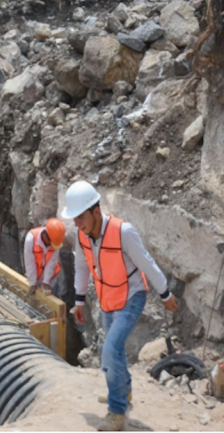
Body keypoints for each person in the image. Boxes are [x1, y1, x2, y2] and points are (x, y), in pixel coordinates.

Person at [62, 180, 177, 432]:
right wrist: (79, 300)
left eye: (80, 216)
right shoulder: (82, 236)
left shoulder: (123, 232)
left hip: (132, 296)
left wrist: (165, 293)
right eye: (73, 218)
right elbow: (81, 267)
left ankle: (116, 411)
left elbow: (147, 263)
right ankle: (123, 393)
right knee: (114, 350)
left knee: (110, 350)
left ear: (95, 211)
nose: (76, 223)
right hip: (107, 299)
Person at [23, 218, 65, 297]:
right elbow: (29, 263)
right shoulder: (31, 239)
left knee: (51, 302)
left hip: (51, 278)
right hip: (35, 275)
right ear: (45, 235)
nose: (51, 246)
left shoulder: (56, 240)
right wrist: (33, 283)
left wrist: (46, 282)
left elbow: (52, 263)